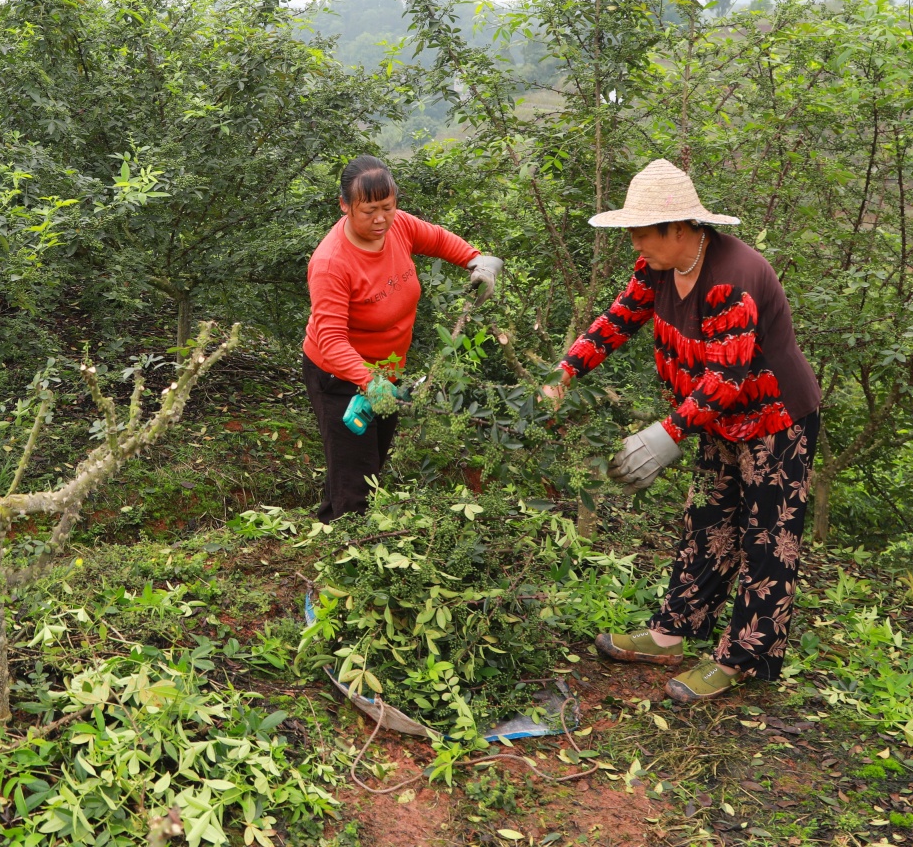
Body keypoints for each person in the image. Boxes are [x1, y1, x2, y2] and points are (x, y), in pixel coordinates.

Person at [543, 158, 822, 703]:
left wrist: (663, 435)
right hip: (715, 418)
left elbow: (728, 375)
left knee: (767, 537)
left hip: (774, 419)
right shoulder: (659, 268)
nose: (636, 247)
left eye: (643, 235)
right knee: (708, 518)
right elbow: (619, 317)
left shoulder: (731, 279)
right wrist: (565, 372)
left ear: (680, 229)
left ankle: (743, 656)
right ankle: (671, 632)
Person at [302, 155, 503, 522]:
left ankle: (332, 523)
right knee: (357, 480)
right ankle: (349, 549)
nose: (381, 219)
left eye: (388, 207)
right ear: (345, 206)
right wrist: (368, 381)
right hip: (341, 377)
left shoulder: (397, 227)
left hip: (386, 370)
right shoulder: (332, 262)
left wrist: (477, 262)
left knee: (367, 463)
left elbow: (439, 239)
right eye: (369, 211)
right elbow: (330, 338)